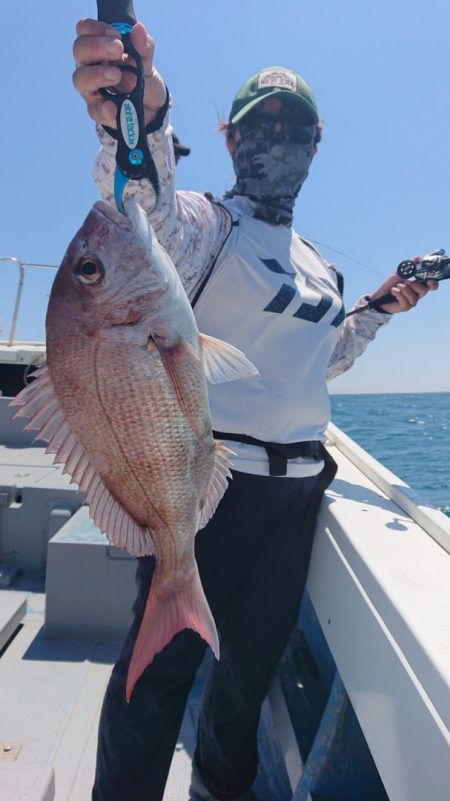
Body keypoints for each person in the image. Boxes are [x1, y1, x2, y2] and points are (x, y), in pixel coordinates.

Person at [72, 19, 438, 801]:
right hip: (209, 484)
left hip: (298, 493)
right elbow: (145, 209)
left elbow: (325, 355)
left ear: (318, 143)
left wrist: (381, 308)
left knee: (248, 677)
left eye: (295, 126)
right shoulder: (208, 225)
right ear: (229, 141)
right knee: (155, 680)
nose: (280, 138)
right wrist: (144, 115)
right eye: (259, 125)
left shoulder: (322, 268)